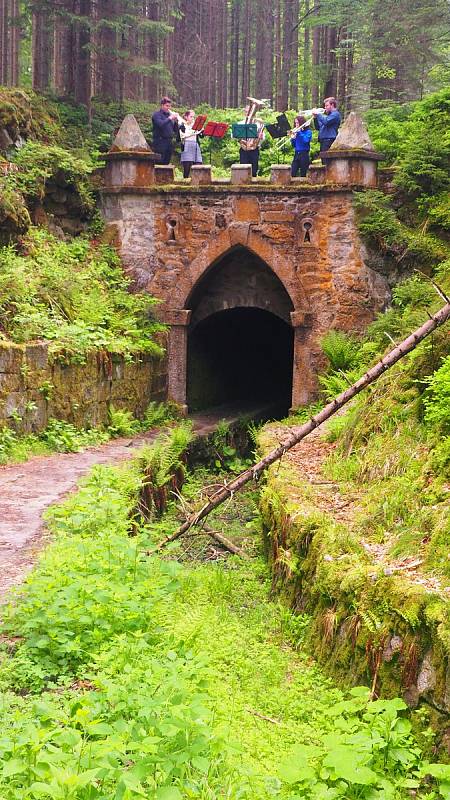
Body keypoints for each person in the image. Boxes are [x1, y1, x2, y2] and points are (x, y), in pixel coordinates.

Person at [237, 105, 265, 177]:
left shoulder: (258, 124)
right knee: (243, 171)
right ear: (244, 113)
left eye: (250, 112)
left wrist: (261, 138)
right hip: (244, 150)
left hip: (254, 150)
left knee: (254, 171)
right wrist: (238, 136)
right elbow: (233, 135)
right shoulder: (240, 123)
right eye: (247, 112)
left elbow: (263, 138)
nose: (248, 114)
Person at [152, 97, 179, 165]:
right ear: (162, 105)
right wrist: (170, 118)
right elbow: (160, 124)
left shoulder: (170, 116)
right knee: (159, 163)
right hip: (160, 142)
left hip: (169, 142)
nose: (168, 108)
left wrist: (176, 122)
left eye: (169, 106)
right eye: (167, 106)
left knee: (167, 163)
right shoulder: (157, 115)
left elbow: (175, 130)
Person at [313, 97, 341, 162]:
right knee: (324, 161)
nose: (325, 107)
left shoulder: (335, 114)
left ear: (332, 105)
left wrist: (318, 114)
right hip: (323, 141)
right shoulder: (327, 116)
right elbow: (318, 127)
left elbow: (326, 122)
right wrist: (315, 118)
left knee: (327, 162)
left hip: (329, 140)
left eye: (327, 105)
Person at [179, 109, 203, 178]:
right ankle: (185, 183)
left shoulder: (196, 126)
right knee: (187, 166)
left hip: (195, 145)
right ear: (186, 117)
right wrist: (195, 131)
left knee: (198, 165)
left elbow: (201, 136)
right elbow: (182, 136)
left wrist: (201, 131)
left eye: (193, 117)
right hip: (187, 145)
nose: (192, 119)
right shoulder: (182, 125)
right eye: (191, 117)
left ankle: (197, 182)